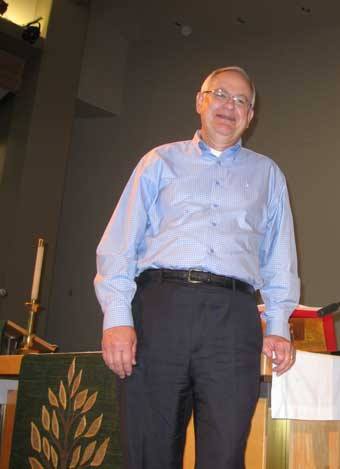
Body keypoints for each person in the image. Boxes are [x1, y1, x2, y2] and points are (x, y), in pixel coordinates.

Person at [94, 66, 300, 469]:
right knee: (149, 450)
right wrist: (117, 318)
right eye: (220, 94)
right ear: (200, 101)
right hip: (159, 311)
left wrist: (277, 326)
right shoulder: (159, 161)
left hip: (233, 318)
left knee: (224, 455)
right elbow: (119, 244)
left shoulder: (268, 175)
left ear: (251, 115)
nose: (230, 106)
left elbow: (279, 257)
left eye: (241, 100)